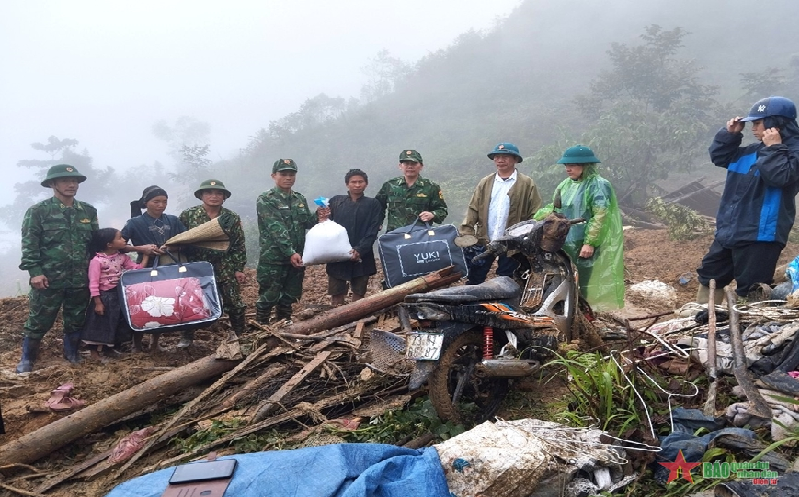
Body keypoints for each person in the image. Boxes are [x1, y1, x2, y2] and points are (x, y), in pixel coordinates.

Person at [696, 96, 799, 303]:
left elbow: (780, 177)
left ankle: (746, 330)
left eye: (758, 123)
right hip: (729, 230)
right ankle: (701, 325)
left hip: (761, 235)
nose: (753, 128)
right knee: (710, 275)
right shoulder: (751, 152)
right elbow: (720, 157)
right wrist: (729, 135)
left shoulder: (792, 154)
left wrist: (774, 149)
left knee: (751, 288)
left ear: (775, 124)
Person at [16, 164, 99, 373]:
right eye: (65, 181)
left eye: (75, 181)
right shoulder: (38, 212)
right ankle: (27, 358)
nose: (71, 185)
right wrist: (34, 271)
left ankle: (72, 354)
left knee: (76, 318)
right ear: (52, 184)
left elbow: (96, 245)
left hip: (80, 278)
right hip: (48, 278)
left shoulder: (88, 211)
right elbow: (29, 244)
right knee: (39, 319)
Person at [535, 145, 624, 310]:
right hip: (566, 241)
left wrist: (590, 242)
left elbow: (600, 215)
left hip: (585, 242)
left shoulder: (598, 185)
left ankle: (588, 313)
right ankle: (568, 311)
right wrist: (536, 219)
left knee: (585, 281)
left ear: (586, 165)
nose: (568, 168)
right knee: (566, 278)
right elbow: (555, 209)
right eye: (566, 165)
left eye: (573, 165)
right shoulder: (565, 185)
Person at [460, 143, 542, 284]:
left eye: (505, 157)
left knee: (506, 279)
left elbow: (535, 213)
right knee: (475, 278)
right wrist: (467, 232)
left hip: (512, 242)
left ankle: (502, 306)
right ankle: (473, 306)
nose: (500, 160)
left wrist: (528, 237)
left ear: (515, 159)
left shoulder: (526, 184)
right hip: (485, 239)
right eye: (497, 157)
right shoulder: (485, 183)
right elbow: (473, 208)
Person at [121, 185, 188, 349]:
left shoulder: (172, 220)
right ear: (146, 203)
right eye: (156, 201)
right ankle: (136, 343)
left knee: (162, 301)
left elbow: (187, 240)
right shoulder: (135, 223)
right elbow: (120, 245)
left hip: (168, 266)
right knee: (142, 301)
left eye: (164, 201)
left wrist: (172, 247)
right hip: (144, 266)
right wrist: (141, 248)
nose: (161, 205)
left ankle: (155, 343)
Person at [179, 179, 247, 336]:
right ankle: (187, 337)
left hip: (225, 265)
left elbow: (238, 244)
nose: (214, 196)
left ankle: (240, 334)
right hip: (196, 266)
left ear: (224, 197)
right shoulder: (188, 215)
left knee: (234, 302)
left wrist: (238, 268)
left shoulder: (231, 218)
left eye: (218, 193)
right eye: (209, 193)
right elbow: (179, 239)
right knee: (192, 301)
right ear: (201, 195)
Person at [256, 159, 321, 324]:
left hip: (297, 257)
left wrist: (319, 215)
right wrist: (290, 251)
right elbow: (276, 228)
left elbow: (306, 222)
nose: (288, 178)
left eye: (291, 174)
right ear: (273, 176)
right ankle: (260, 329)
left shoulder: (299, 199)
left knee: (289, 297)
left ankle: (284, 326)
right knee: (268, 296)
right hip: (274, 258)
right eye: (283, 174)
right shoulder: (266, 199)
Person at [318, 169, 383, 306]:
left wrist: (359, 249)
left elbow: (372, 230)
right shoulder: (336, 201)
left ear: (366, 184)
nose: (357, 185)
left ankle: (355, 320)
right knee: (336, 292)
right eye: (353, 182)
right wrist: (321, 215)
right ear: (347, 184)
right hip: (337, 254)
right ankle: (336, 320)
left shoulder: (373, 204)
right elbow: (323, 222)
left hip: (362, 255)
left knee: (359, 292)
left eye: (361, 182)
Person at [81, 228, 143, 360]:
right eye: (120, 238)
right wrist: (98, 302)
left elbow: (136, 268)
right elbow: (93, 283)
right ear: (109, 244)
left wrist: (146, 254)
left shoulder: (122, 257)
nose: (124, 240)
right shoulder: (97, 261)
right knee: (100, 324)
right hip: (104, 297)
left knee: (115, 322)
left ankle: (110, 348)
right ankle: (94, 353)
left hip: (118, 295)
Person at [375, 149, 448, 232]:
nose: (410, 166)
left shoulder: (431, 187)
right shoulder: (390, 185)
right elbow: (377, 206)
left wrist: (432, 214)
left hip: (420, 236)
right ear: (400, 166)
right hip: (395, 236)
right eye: (406, 164)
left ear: (421, 166)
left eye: (414, 163)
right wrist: (378, 223)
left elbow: (442, 210)